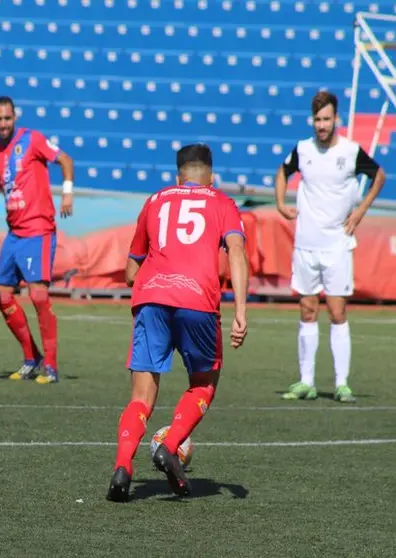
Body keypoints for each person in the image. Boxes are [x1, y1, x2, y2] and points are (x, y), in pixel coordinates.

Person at [107, 144, 248, 502]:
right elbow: (236, 251)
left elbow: (129, 272)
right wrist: (241, 312)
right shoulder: (223, 203)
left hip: (151, 299)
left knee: (141, 397)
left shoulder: (155, 200)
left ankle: (123, 467)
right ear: (211, 177)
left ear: (177, 176)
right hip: (197, 300)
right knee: (203, 384)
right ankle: (169, 446)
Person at [275, 91, 385, 403]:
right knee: (307, 309)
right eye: (318, 120)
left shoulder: (350, 151)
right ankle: (306, 381)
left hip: (336, 244)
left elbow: (379, 175)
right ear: (313, 121)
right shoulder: (303, 150)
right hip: (306, 244)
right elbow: (282, 173)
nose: (322, 125)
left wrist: (361, 211)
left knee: (337, 311)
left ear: (336, 119)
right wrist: (281, 204)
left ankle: (341, 383)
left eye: (327, 119)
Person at [0, 95, 75, 384]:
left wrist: (67, 192)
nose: (3, 124)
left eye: (7, 118)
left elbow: (65, 159)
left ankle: (50, 365)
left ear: (15, 117)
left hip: (38, 230)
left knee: (38, 295)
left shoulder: (33, 139)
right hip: (15, 233)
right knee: (1, 294)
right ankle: (31, 357)